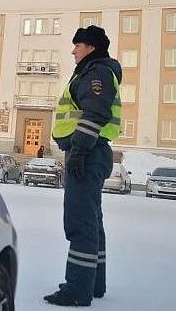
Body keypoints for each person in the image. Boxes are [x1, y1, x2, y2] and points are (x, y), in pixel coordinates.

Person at [44, 25, 122, 307]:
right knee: (92, 221)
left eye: (78, 45)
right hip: (92, 152)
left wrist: (78, 151)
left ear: (90, 47)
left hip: (87, 153)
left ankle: (77, 290)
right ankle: (93, 284)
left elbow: (95, 112)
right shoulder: (94, 70)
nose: (73, 50)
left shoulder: (96, 72)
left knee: (80, 223)